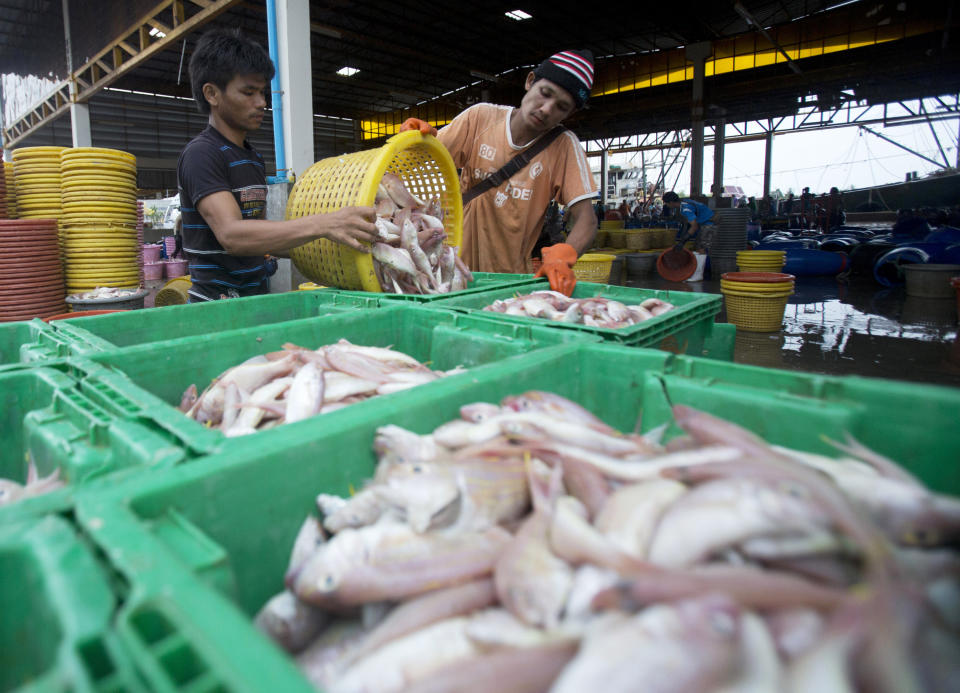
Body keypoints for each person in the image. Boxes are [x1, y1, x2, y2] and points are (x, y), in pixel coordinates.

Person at [177, 28, 377, 302]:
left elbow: (259, 236)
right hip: (216, 307)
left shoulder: (252, 158)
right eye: (248, 92)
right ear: (212, 94)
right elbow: (232, 235)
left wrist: (337, 240)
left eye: (262, 92)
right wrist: (325, 223)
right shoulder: (202, 154)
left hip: (256, 299)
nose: (261, 103)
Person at [399, 49, 599, 296]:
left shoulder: (564, 146)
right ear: (530, 81)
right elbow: (425, 158)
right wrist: (417, 140)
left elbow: (587, 220)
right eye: (545, 94)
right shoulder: (480, 118)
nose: (547, 109)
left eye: (561, 107)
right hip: (451, 273)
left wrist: (565, 254)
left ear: (571, 114)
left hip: (510, 283)